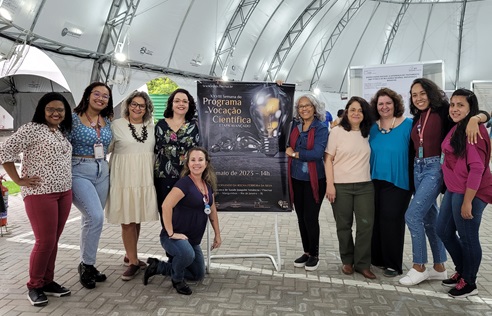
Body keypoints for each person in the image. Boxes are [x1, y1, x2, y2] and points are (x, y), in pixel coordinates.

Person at [399, 78, 489, 286]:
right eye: (414, 95)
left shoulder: (445, 111)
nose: (419, 98)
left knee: (412, 216)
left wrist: (478, 118)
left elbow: (479, 113)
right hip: (418, 169)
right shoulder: (417, 118)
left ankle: (419, 266)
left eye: (422, 93)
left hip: (434, 169)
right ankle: (439, 266)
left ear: (430, 93)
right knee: (432, 221)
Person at [0, 92, 73, 306]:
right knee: (45, 241)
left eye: (60, 109)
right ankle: (34, 285)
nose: (55, 113)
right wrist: (18, 180)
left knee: (53, 240)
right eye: (50, 109)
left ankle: (47, 281)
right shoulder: (31, 129)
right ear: (42, 109)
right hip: (40, 193)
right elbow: (5, 151)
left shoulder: (60, 131)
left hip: (64, 191)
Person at [437, 88, 492, 298]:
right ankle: (463, 270)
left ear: (470, 108)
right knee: (443, 231)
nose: (454, 108)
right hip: (454, 189)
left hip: (470, 191)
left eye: (460, 105)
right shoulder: (459, 126)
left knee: (468, 237)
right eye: (452, 104)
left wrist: (468, 201)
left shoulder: (473, 131)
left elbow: (477, 168)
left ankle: (470, 281)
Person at [144, 147, 221, 295]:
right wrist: (171, 233)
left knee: (198, 274)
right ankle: (177, 279)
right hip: (172, 238)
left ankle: (158, 267)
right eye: (193, 160)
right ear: (187, 164)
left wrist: (218, 234)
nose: (196, 163)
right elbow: (166, 205)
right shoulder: (184, 184)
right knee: (187, 255)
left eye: (200, 160)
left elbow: (212, 211)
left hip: (192, 240)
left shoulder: (207, 186)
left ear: (206, 163)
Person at [105, 91, 159, 280]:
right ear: (127, 105)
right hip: (123, 178)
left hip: (143, 178)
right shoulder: (115, 126)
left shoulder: (151, 128)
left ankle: (130, 255)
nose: (137, 108)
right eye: (134, 104)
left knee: (136, 218)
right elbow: (105, 147)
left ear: (147, 109)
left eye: (141, 106)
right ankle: (134, 262)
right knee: (127, 220)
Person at [325, 96, 376, 279]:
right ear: (347, 111)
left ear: (365, 114)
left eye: (360, 110)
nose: (356, 113)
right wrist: (330, 185)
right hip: (341, 186)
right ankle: (347, 261)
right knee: (343, 225)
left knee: (366, 225)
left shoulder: (369, 132)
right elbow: (328, 159)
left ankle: (362, 264)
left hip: (365, 186)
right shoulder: (337, 131)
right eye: (352, 109)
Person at [71, 82, 113, 289]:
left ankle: (88, 264)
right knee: (95, 216)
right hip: (78, 170)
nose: (101, 98)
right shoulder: (72, 119)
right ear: (87, 95)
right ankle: (87, 265)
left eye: (105, 96)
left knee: (90, 219)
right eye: (97, 94)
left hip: (102, 170)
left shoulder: (107, 121)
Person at [369, 88, 412, 277]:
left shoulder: (408, 125)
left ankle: (394, 264)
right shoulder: (372, 127)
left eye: (388, 103)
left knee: (391, 220)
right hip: (373, 180)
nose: (384, 107)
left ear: (395, 104)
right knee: (376, 219)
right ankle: (377, 258)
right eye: (380, 104)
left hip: (398, 181)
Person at [286, 94, 328, 271]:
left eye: (307, 105)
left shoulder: (321, 128)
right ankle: (306, 252)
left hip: (314, 180)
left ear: (315, 107)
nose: (304, 109)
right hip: (295, 179)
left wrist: (295, 154)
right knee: (301, 218)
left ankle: (315, 254)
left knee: (311, 218)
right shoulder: (294, 127)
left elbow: (317, 154)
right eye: (301, 106)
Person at [154, 88, 200, 226]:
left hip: (187, 176)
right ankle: (170, 246)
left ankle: (184, 246)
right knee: (167, 214)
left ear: (189, 105)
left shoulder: (195, 126)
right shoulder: (160, 124)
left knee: (185, 215)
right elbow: (155, 149)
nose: (181, 104)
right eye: (177, 101)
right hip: (163, 176)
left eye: (185, 101)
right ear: (171, 104)